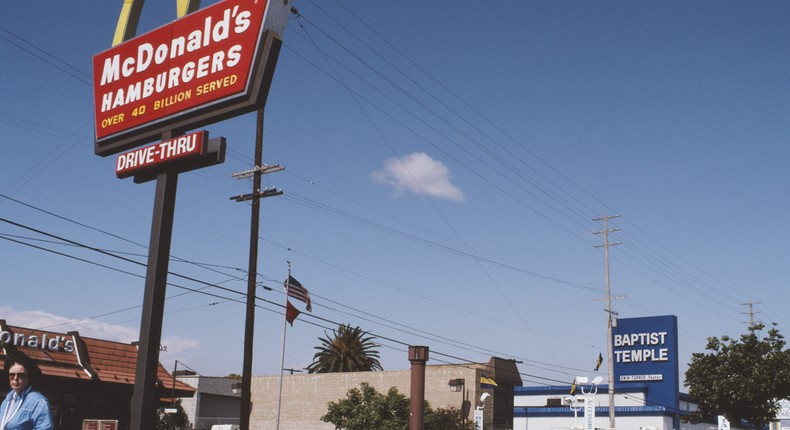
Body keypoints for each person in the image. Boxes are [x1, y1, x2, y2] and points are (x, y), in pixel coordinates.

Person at [0, 351, 53, 430]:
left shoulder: (38, 401)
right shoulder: (7, 401)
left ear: (29, 377)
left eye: (21, 375)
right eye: (12, 375)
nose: (15, 378)